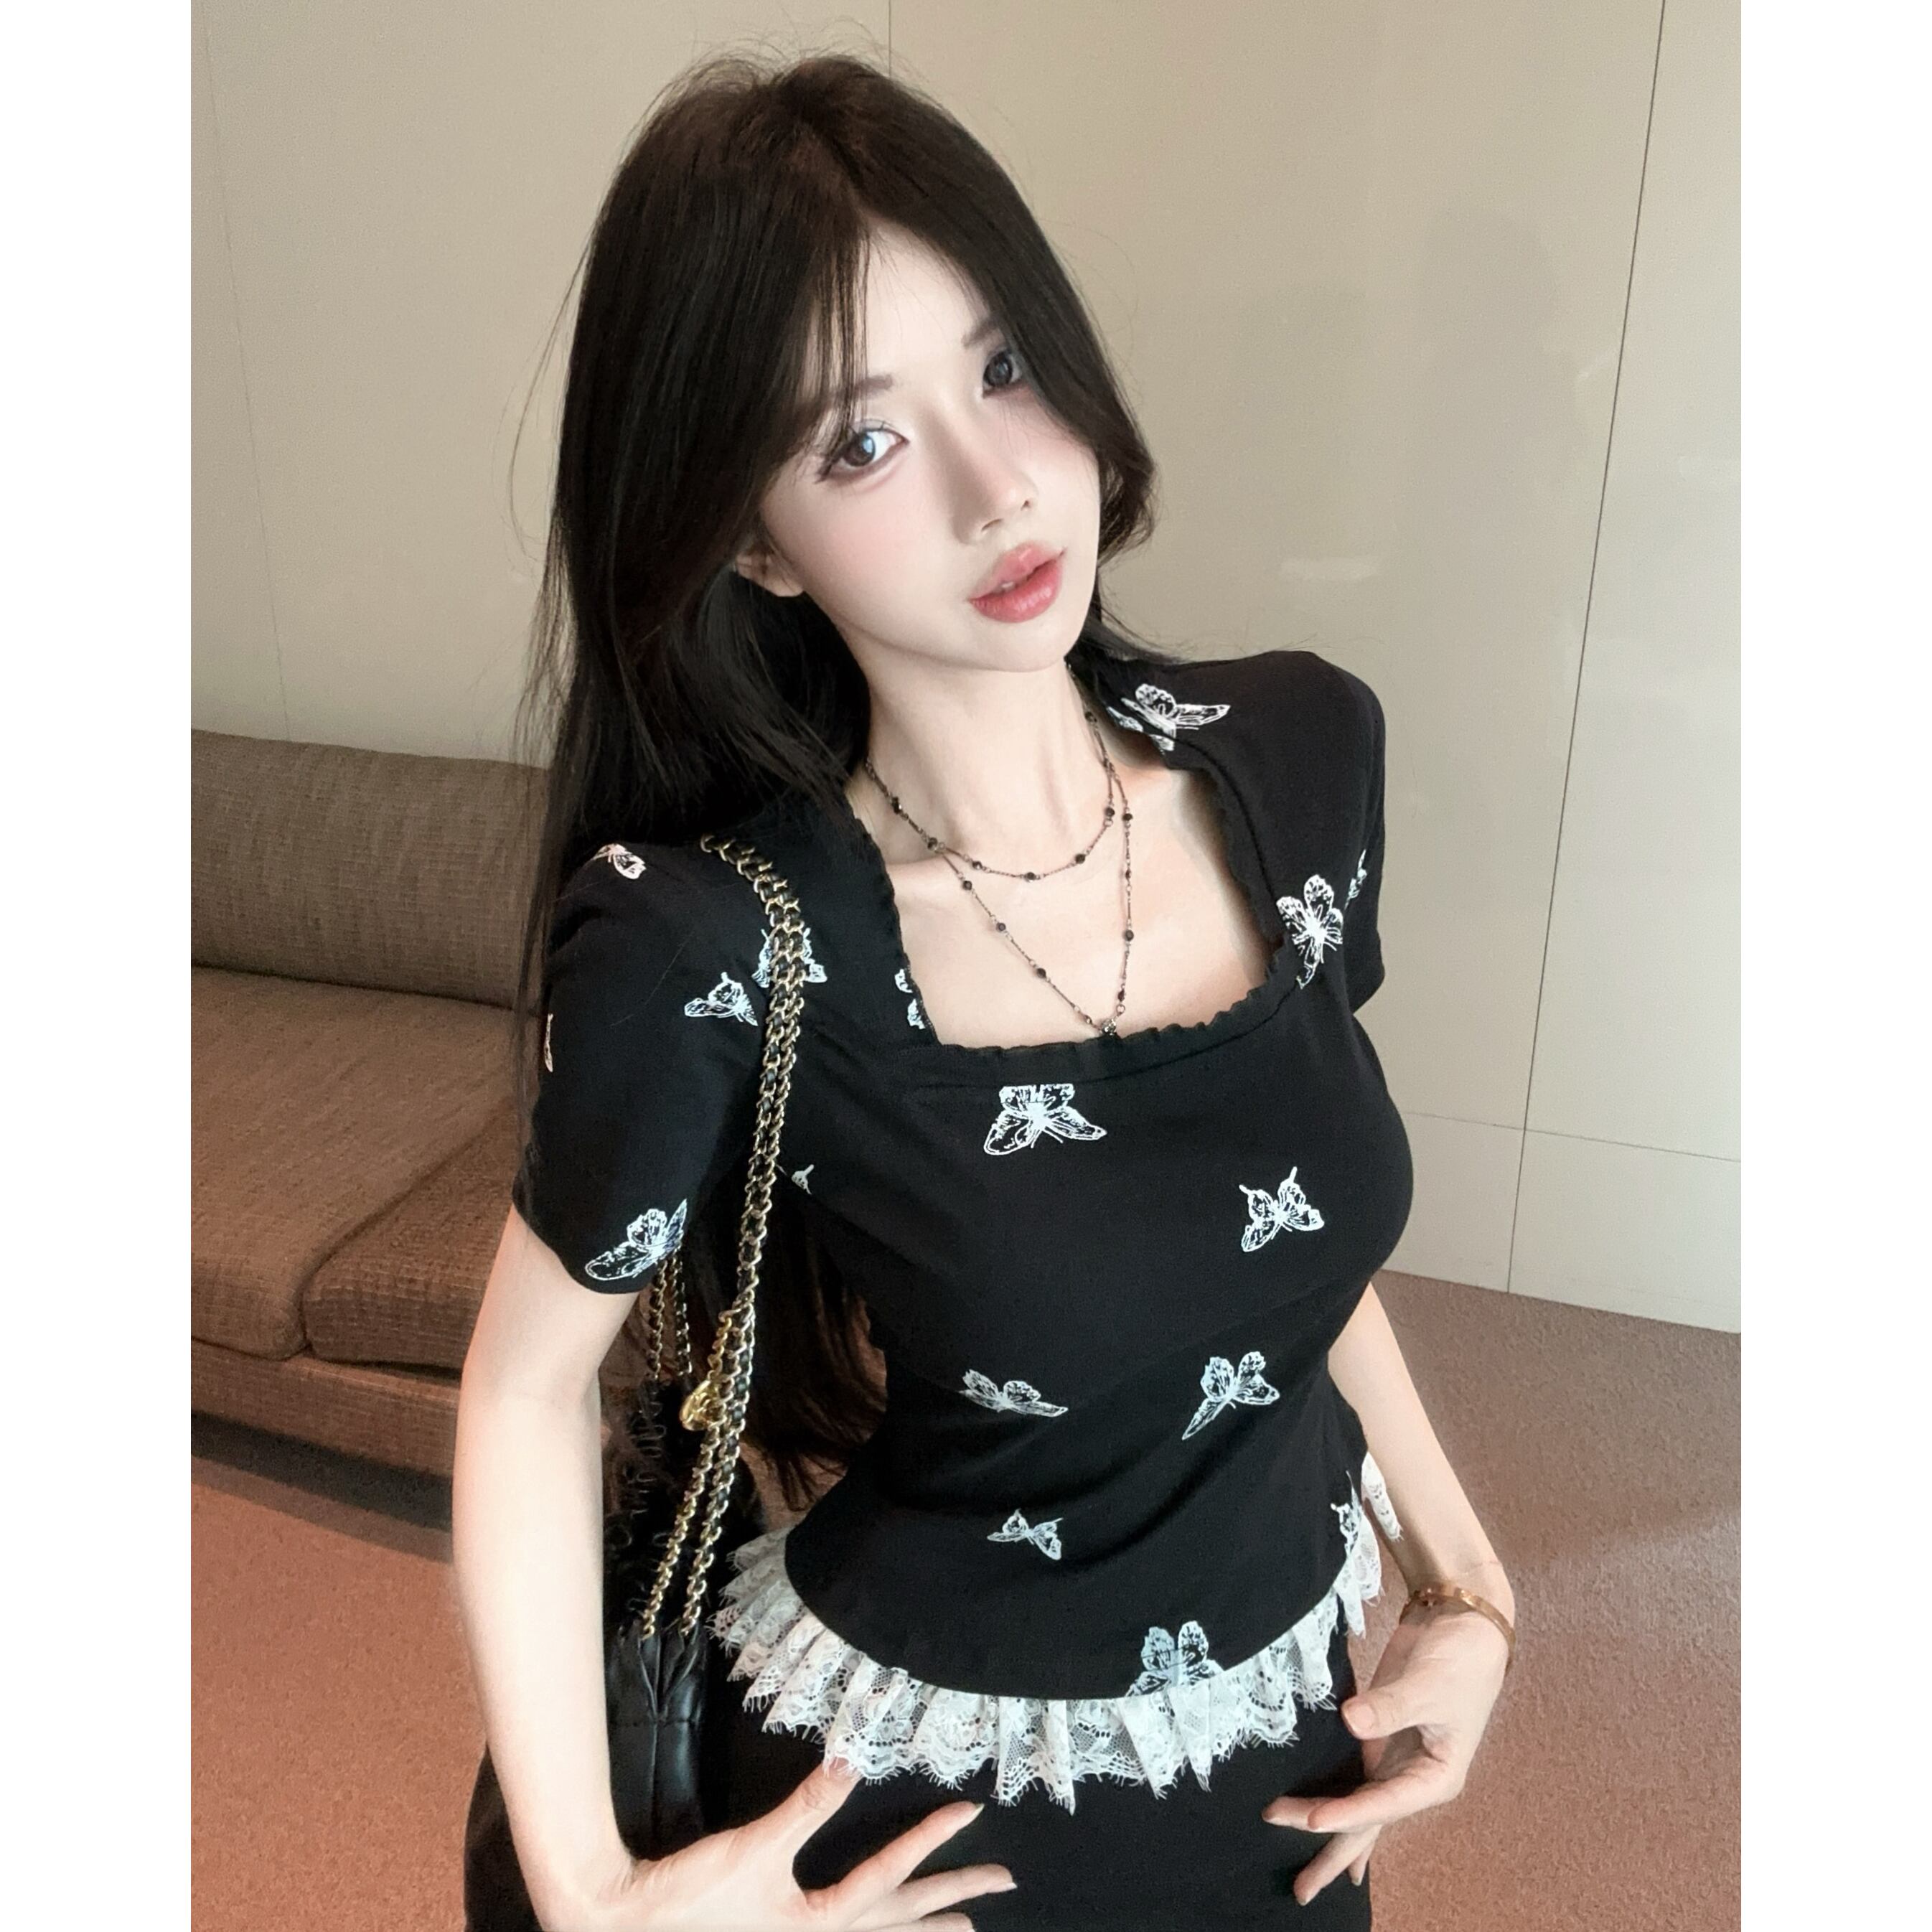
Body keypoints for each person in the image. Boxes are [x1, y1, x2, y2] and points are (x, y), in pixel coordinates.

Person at [451, 48, 1514, 1932]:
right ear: (751, 538)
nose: (997, 484)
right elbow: (524, 1393)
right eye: (859, 445)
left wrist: (1466, 1582)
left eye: (1006, 363)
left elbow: (1278, 1225)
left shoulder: (1297, 755)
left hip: (1290, 1749)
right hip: (941, 1813)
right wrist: (592, 1894)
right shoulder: (719, 944)